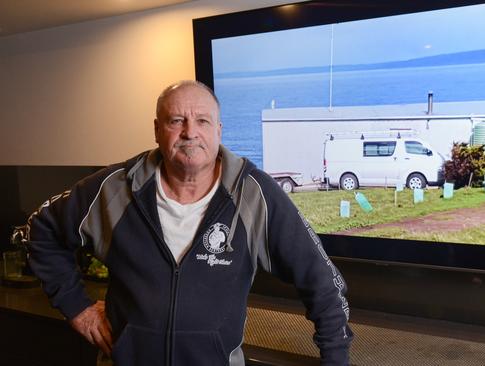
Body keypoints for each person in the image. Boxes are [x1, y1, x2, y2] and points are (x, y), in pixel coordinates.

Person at [25, 80, 353, 365]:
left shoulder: (254, 194)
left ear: (219, 131)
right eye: (176, 120)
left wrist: (335, 358)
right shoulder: (114, 187)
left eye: (202, 121)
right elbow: (41, 229)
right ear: (157, 129)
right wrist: (77, 308)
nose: (190, 132)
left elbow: (323, 281)